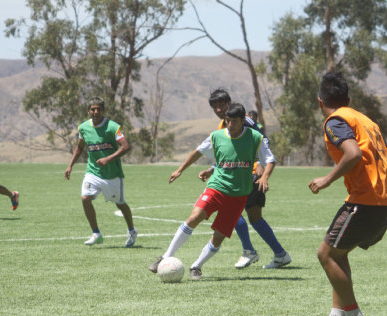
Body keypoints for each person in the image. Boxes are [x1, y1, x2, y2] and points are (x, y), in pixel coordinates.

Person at [303, 72, 387, 316]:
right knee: (338, 252)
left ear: (320, 100)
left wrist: (326, 179)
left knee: (326, 254)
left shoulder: (335, 121)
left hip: (365, 200)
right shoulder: (367, 121)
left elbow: (353, 154)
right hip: (383, 201)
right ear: (348, 99)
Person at [148, 103, 276, 280]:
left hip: (238, 195)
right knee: (194, 217)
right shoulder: (216, 136)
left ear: (242, 121)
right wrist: (180, 169)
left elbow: (270, 159)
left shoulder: (255, 138)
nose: (230, 125)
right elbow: (198, 152)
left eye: (234, 121)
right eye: (227, 121)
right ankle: (165, 257)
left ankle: (196, 267)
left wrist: (265, 177)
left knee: (218, 237)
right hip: (216, 187)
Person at [199, 89, 291, 269]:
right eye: (215, 107)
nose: (218, 110)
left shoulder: (244, 120)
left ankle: (251, 251)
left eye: (222, 105)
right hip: (243, 174)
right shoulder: (225, 125)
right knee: (253, 217)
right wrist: (212, 169)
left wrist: (263, 172)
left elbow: (262, 142)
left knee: (234, 212)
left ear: (229, 102)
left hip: (251, 175)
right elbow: (231, 155)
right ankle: (279, 254)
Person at [65, 97, 138, 247]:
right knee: (85, 198)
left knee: (120, 204)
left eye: (98, 109)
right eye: (93, 109)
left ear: (103, 111)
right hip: (93, 172)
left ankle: (132, 230)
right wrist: (70, 165)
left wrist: (108, 159)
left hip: (112, 174)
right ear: (88, 111)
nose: (95, 112)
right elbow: (79, 147)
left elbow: (125, 146)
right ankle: (96, 233)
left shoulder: (113, 127)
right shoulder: (83, 128)